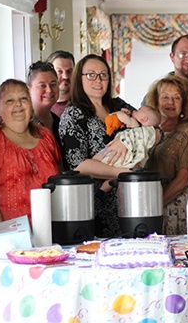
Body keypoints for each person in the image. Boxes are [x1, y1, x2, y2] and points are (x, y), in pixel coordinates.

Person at [59, 54, 134, 238]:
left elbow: (151, 128)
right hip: (95, 203)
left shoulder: (118, 105)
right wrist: (123, 172)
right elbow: (78, 165)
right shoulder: (73, 115)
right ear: (79, 78)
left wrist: (127, 139)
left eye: (103, 75)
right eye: (91, 75)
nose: (98, 80)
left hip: (130, 200)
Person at [0, 79, 61, 227]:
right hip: (6, 238)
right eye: (10, 100)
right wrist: (2, 228)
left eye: (23, 98)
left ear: (30, 105)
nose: (18, 104)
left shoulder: (45, 135)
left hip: (48, 231)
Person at [144, 74, 188, 235]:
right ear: (156, 101)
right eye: (165, 97)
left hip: (175, 207)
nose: (171, 102)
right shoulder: (145, 132)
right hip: (147, 205)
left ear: (183, 104)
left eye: (176, 98)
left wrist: (156, 205)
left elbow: (184, 178)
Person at [95, 106, 162, 168]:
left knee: (97, 160)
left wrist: (121, 113)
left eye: (138, 110)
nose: (134, 111)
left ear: (144, 119)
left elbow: (121, 117)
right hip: (129, 162)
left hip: (118, 154)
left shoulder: (135, 124)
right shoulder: (145, 132)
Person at [26, 61, 61, 145]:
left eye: (53, 84)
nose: (49, 90)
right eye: (42, 86)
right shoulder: (24, 124)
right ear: (28, 89)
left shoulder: (59, 122)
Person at [46, 50, 75, 117]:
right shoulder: (43, 107)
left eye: (69, 71)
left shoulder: (83, 102)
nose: (65, 76)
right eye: (59, 71)